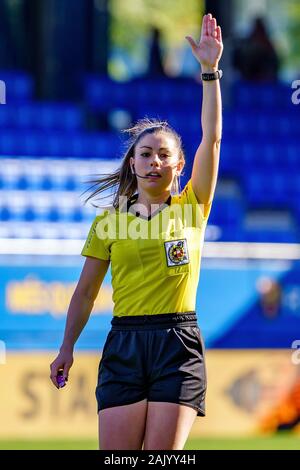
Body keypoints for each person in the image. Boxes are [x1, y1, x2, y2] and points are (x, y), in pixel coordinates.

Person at [50, 13, 223, 451]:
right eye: (144, 154)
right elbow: (86, 292)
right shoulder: (108, 221)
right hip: (124, 343)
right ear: (133, 163)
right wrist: (66, 348)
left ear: (179, 165)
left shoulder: (193, 207)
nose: (153, 161)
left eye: (164, 154)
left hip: (177, 344)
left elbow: (213, 138)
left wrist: (209, 72)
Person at [232, 16, 279, 81]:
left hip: (266, 82)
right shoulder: (247, 43)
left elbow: (274, 66)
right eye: (257, 28)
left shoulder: (268, 45)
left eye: (260, 29)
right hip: (248, 82)